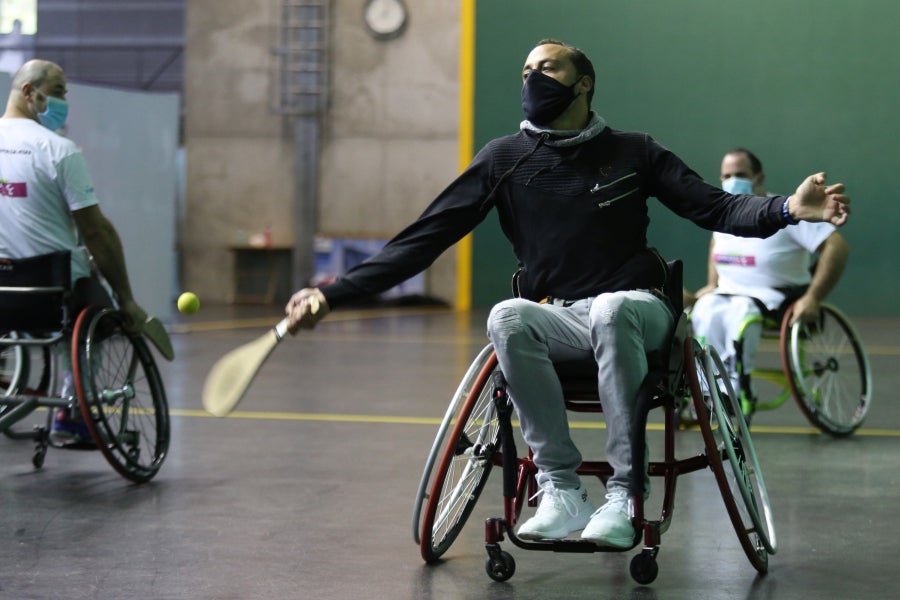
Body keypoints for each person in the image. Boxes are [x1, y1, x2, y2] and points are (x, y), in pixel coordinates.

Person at [284, 40, 851, 548]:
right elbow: (421, 240)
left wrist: (786, 210)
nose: (533, 77)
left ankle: (625, 495)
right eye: (526, 69)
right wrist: (334, 295)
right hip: (560, 318)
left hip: (640, 308)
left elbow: (717, 206)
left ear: (583, 83)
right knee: (507, 317)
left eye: (548, 67)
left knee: (610, 309)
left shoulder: (634, 151)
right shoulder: (502, 160)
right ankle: (560, 488)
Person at [0, 59, 172, 446]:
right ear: (30, 92)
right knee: (100, 311)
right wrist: (127, 299)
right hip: (49, 294)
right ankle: (73, 413)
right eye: (59, 92)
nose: (64, 101)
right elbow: (96, 230)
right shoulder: (58, 150)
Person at [689, 148, 850, 411]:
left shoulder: (790, 211)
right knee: (699, 313)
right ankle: (705, 392)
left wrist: (812, 297)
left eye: (740, 174)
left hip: (773, 299)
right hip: (725, 295)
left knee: (739, 316)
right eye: (726, 175)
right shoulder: (724, 213)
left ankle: (735, 392)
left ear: (759, 177)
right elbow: (716, 245)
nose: (733, 180)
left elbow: (837, 247)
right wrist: (712, 284)